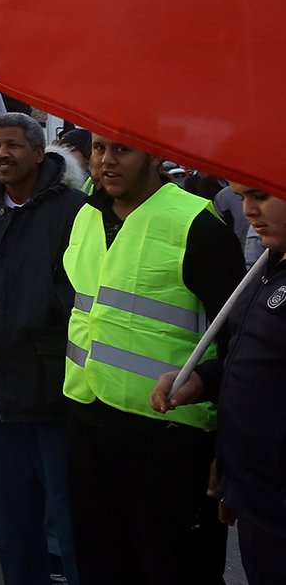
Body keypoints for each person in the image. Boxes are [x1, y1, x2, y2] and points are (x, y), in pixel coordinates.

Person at [63, 134, 244, 585]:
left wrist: (228, 445)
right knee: (101, 565)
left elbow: (238, 342)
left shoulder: (196, 224)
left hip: (169, 437)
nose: (106, 160)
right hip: (88, 423)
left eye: (122, 149)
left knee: (174, 569)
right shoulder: (86, 215)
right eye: (99, 148)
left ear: (155, 155)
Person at [0, 112, 85, 585]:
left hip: (53, 391)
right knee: (14, 523)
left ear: (39, 153)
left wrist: (46, 308)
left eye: (12, 145)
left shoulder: (76, 211)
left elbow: (87, 283)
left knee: (70, 520)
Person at [151, 183, 286, 585]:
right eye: (242, 197)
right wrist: (202, 380)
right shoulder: (267, 266)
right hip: (255, 490)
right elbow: (254, 365)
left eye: (261, 196)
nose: (247, 211)